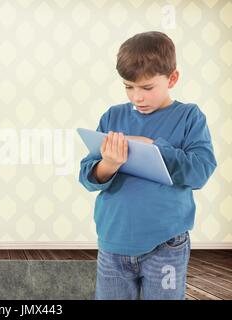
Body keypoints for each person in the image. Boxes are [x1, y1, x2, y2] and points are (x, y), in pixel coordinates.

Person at [79, 31, 217, 300]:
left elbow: (200, 171)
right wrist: (108, 163)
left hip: (166, 244)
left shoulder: (189, 116)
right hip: (113, 241)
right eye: (128, 87)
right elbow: (87, 175)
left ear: (172, 78)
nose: (137, 97)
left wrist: (153, 145)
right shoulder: (113, 116)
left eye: (147, 88)